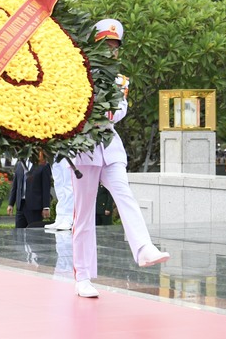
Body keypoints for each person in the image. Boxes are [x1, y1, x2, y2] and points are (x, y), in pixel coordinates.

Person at [72, 19, 170, 298]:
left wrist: (108, 112)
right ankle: (83, 276)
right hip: (84, 147)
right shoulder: (80, 73)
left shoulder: (121, 81)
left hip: (110, 144)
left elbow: (120, 110)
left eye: (115, 47)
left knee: (124, 194)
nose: (112, 52)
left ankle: (143, 248)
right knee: (83, 215)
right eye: (107, 46)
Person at [7, 152, 52, 228]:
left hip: (35, 206)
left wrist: (46, 207)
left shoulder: (43, 165)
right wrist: (11, 204)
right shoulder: (19, 164)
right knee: (19, 233)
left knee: (34, 234)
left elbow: (46, 187)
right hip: (20, 205)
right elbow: (15, 185)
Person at [45, 158, 73, 231]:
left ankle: (69, 218)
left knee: (68, 184)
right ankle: (60, 217)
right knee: (58, 184)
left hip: (67, 150)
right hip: (55, 151)